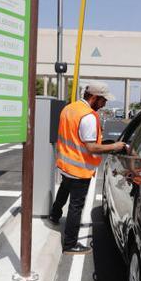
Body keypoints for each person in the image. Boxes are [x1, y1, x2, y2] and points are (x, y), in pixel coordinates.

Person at [48, 82, 126, 254]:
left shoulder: (70, 108)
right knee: (76, 206)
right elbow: (91, 148)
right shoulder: (89, 117)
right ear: (94, 97)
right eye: (103, 100)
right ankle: (70, 244)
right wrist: (115, 147)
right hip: (80, 167)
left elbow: (75, 136)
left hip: (66, 163)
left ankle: (54, 215)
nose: (105, 104)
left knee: (64, 189)